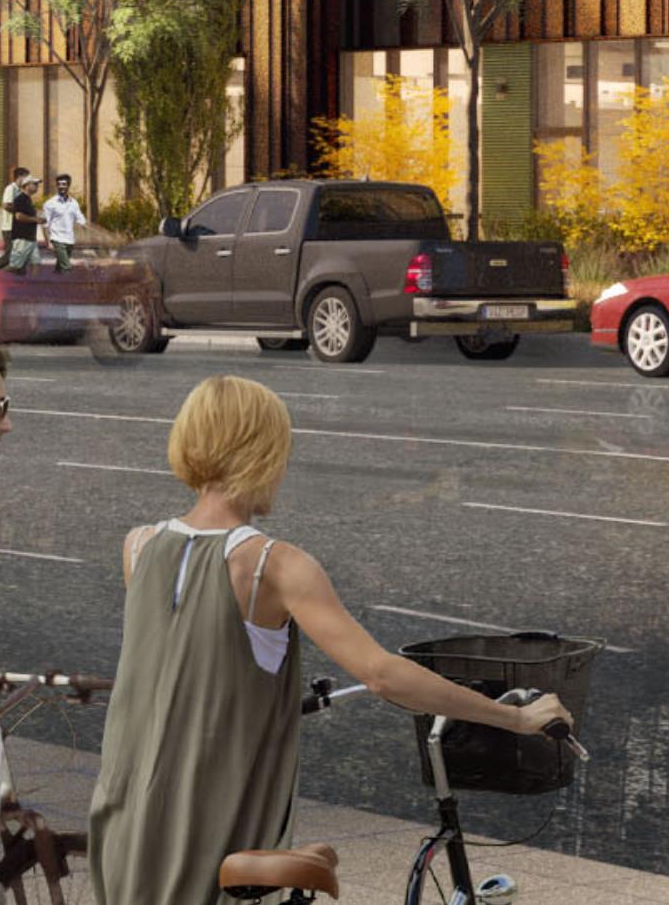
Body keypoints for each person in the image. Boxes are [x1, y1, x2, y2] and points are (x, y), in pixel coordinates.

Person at [69, 366, 563, 905]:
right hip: (210, 833)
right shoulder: (271, 566)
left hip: (124, 820)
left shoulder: (139, 547)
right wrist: (515, 718)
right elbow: (381, 674)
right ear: (262, 453)